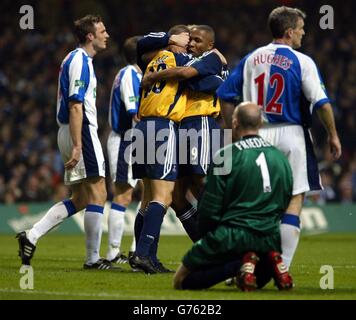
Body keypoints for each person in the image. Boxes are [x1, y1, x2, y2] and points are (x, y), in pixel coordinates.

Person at [217, 6, 342, 270]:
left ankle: (245, 265)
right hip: (292, 134)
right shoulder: (303, 61)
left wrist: (233, 131)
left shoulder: (252, 58)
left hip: (256, 134)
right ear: (289, 32)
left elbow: (225, 95)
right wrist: (333, 135)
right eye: (301, 29)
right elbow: (321, 103)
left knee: (253, 201)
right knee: (295, 198)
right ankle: (281, 266)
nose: (303, 34)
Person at [16, 15, 114, 270]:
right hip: (79, 132)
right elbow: (75, 104)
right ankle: (93, 259)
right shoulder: (80, 61)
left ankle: (32, 234)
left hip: (69, 131)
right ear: (90, 36)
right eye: (102, 31)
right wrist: (79, 143)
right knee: (99, 191)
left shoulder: (74, 59)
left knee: (81, 198)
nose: (107, 35)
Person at [130, 25, 225, 273]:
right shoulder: (183, 59)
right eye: (188, 39)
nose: (191, 44)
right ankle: (143, 254)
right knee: (165, 196)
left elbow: (139, 46)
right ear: (178, 41)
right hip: (164, 127)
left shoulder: (152, 61)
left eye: (196, 40)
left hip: (142, 129)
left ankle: (146, 257)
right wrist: (218, 62)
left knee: (150, 199)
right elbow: (195, 74)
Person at [173, 102, 293, 291]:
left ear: (235, 124)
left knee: (181, 281)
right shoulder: (280, 158)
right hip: (269, 238)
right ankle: (270, 259)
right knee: (254, 279)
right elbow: (285, 200)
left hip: (233, 236)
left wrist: (208, 239)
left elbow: (208, 210)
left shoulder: (226, 156)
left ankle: (239, 263)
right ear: (261, 123)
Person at [106, 36, 142, 264]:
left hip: (136, 139)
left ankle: (138, 249)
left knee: (150, 192)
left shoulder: (135, 74)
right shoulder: (129, 74)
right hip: (125, 140)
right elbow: (134, 112)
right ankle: (112, 252)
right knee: (123, 194)